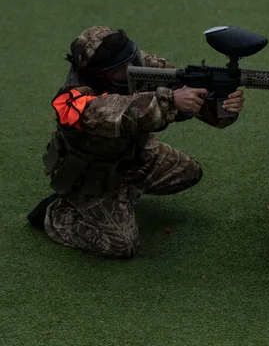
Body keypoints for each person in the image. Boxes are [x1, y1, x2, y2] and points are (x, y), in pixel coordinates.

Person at [27, 26, 245, 258]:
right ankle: (57, 214)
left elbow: (182, 89)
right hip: (90, 176)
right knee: (120, 245)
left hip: (131, 156)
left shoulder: (135, 63)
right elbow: (122, 112)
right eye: (120, 68)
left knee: (188, 171)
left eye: (131, 58)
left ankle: (125, 193)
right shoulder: (74, 102)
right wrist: (171, 101)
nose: (132, 67)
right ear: (101, 74)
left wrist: (221, 102)